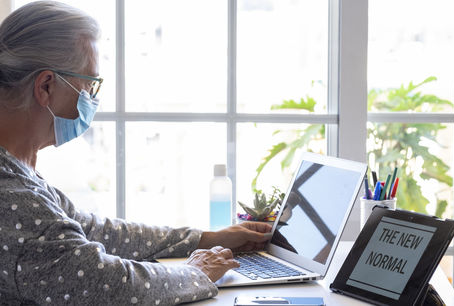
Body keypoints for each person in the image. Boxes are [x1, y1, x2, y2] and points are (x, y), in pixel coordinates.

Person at [0, 1, 271, 305]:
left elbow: (93, 230)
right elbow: (106, 284)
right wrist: (196, 272)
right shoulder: (14, 198)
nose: (92, 99)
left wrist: (206, 239)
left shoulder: (18, 173)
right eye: (89, 86)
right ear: (46, 86)